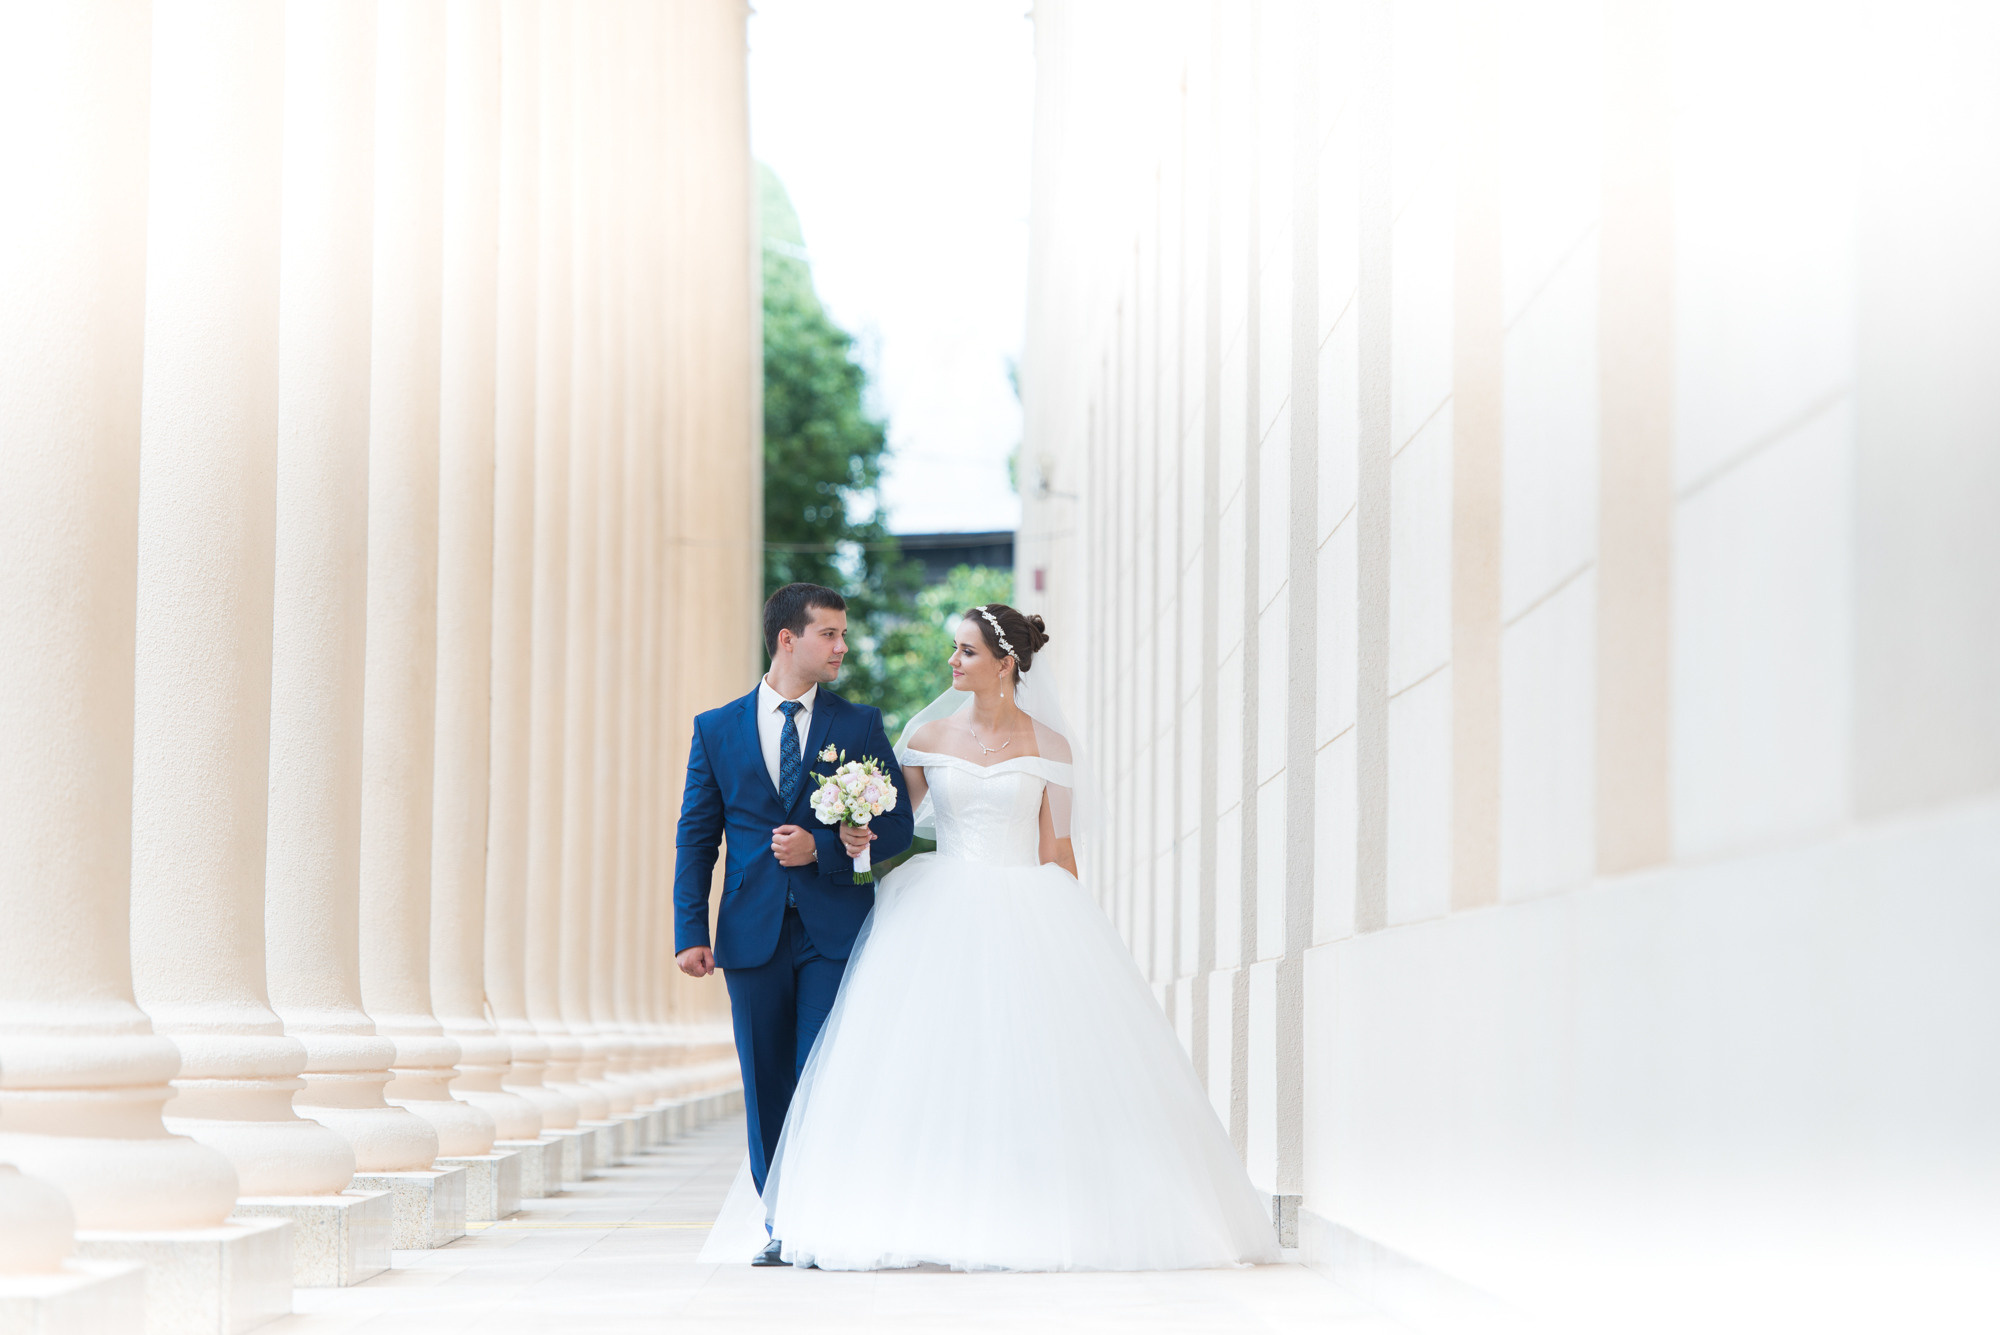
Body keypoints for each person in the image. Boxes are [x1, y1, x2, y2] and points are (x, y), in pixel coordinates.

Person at [747, 602, 1279, 1271]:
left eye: (967, 651)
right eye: (955, 650)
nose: (953, 661)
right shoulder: (928, 735)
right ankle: (930, 1203)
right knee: (933, 1062)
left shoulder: (1050, 746)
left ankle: (1032, 1203)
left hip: (1029, 904)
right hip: (937, 908)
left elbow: (1055, 847)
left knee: (1029, 1061)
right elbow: (886, 828)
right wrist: (846, 835)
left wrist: (1082, 937)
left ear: (1006, 663)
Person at [673, 582, 915, 1266]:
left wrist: (831, 843)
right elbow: (697, 836)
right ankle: (780, 1217)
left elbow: (895, 823)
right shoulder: (716, 728)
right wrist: (690, 929)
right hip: (749, 932)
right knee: (766, 1076)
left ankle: (820, 1211)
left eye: (842, 635)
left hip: (832, 927)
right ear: (788, 639)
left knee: (823, 1068)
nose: (842, 646)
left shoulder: (859, 722)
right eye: (830, 634)